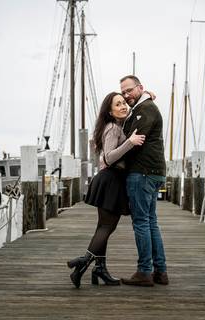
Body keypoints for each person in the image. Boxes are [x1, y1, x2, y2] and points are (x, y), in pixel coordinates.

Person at [67, 92, 146, 288]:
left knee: (103, 227)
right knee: (106, 227)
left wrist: (147, 96)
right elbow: (109, 158)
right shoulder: (112, 128)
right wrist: (130, 142)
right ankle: (83, 263)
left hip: (111, 181)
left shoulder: (116, 126)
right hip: (111, 180)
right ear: (110, 111)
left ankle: (99, 269)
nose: (123, 106)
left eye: (123, 103)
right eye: (117, 104)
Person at [119, 75, 168, 287]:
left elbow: (134, 140)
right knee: (150, 222)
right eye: (123, 92)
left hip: (143, 173)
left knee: (141, 222)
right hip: (152, 172)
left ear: (140, 88)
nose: (126, 95)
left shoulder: (145, 109)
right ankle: (160, 272)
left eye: (129, 90)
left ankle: (145, 271)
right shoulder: (143, 107)